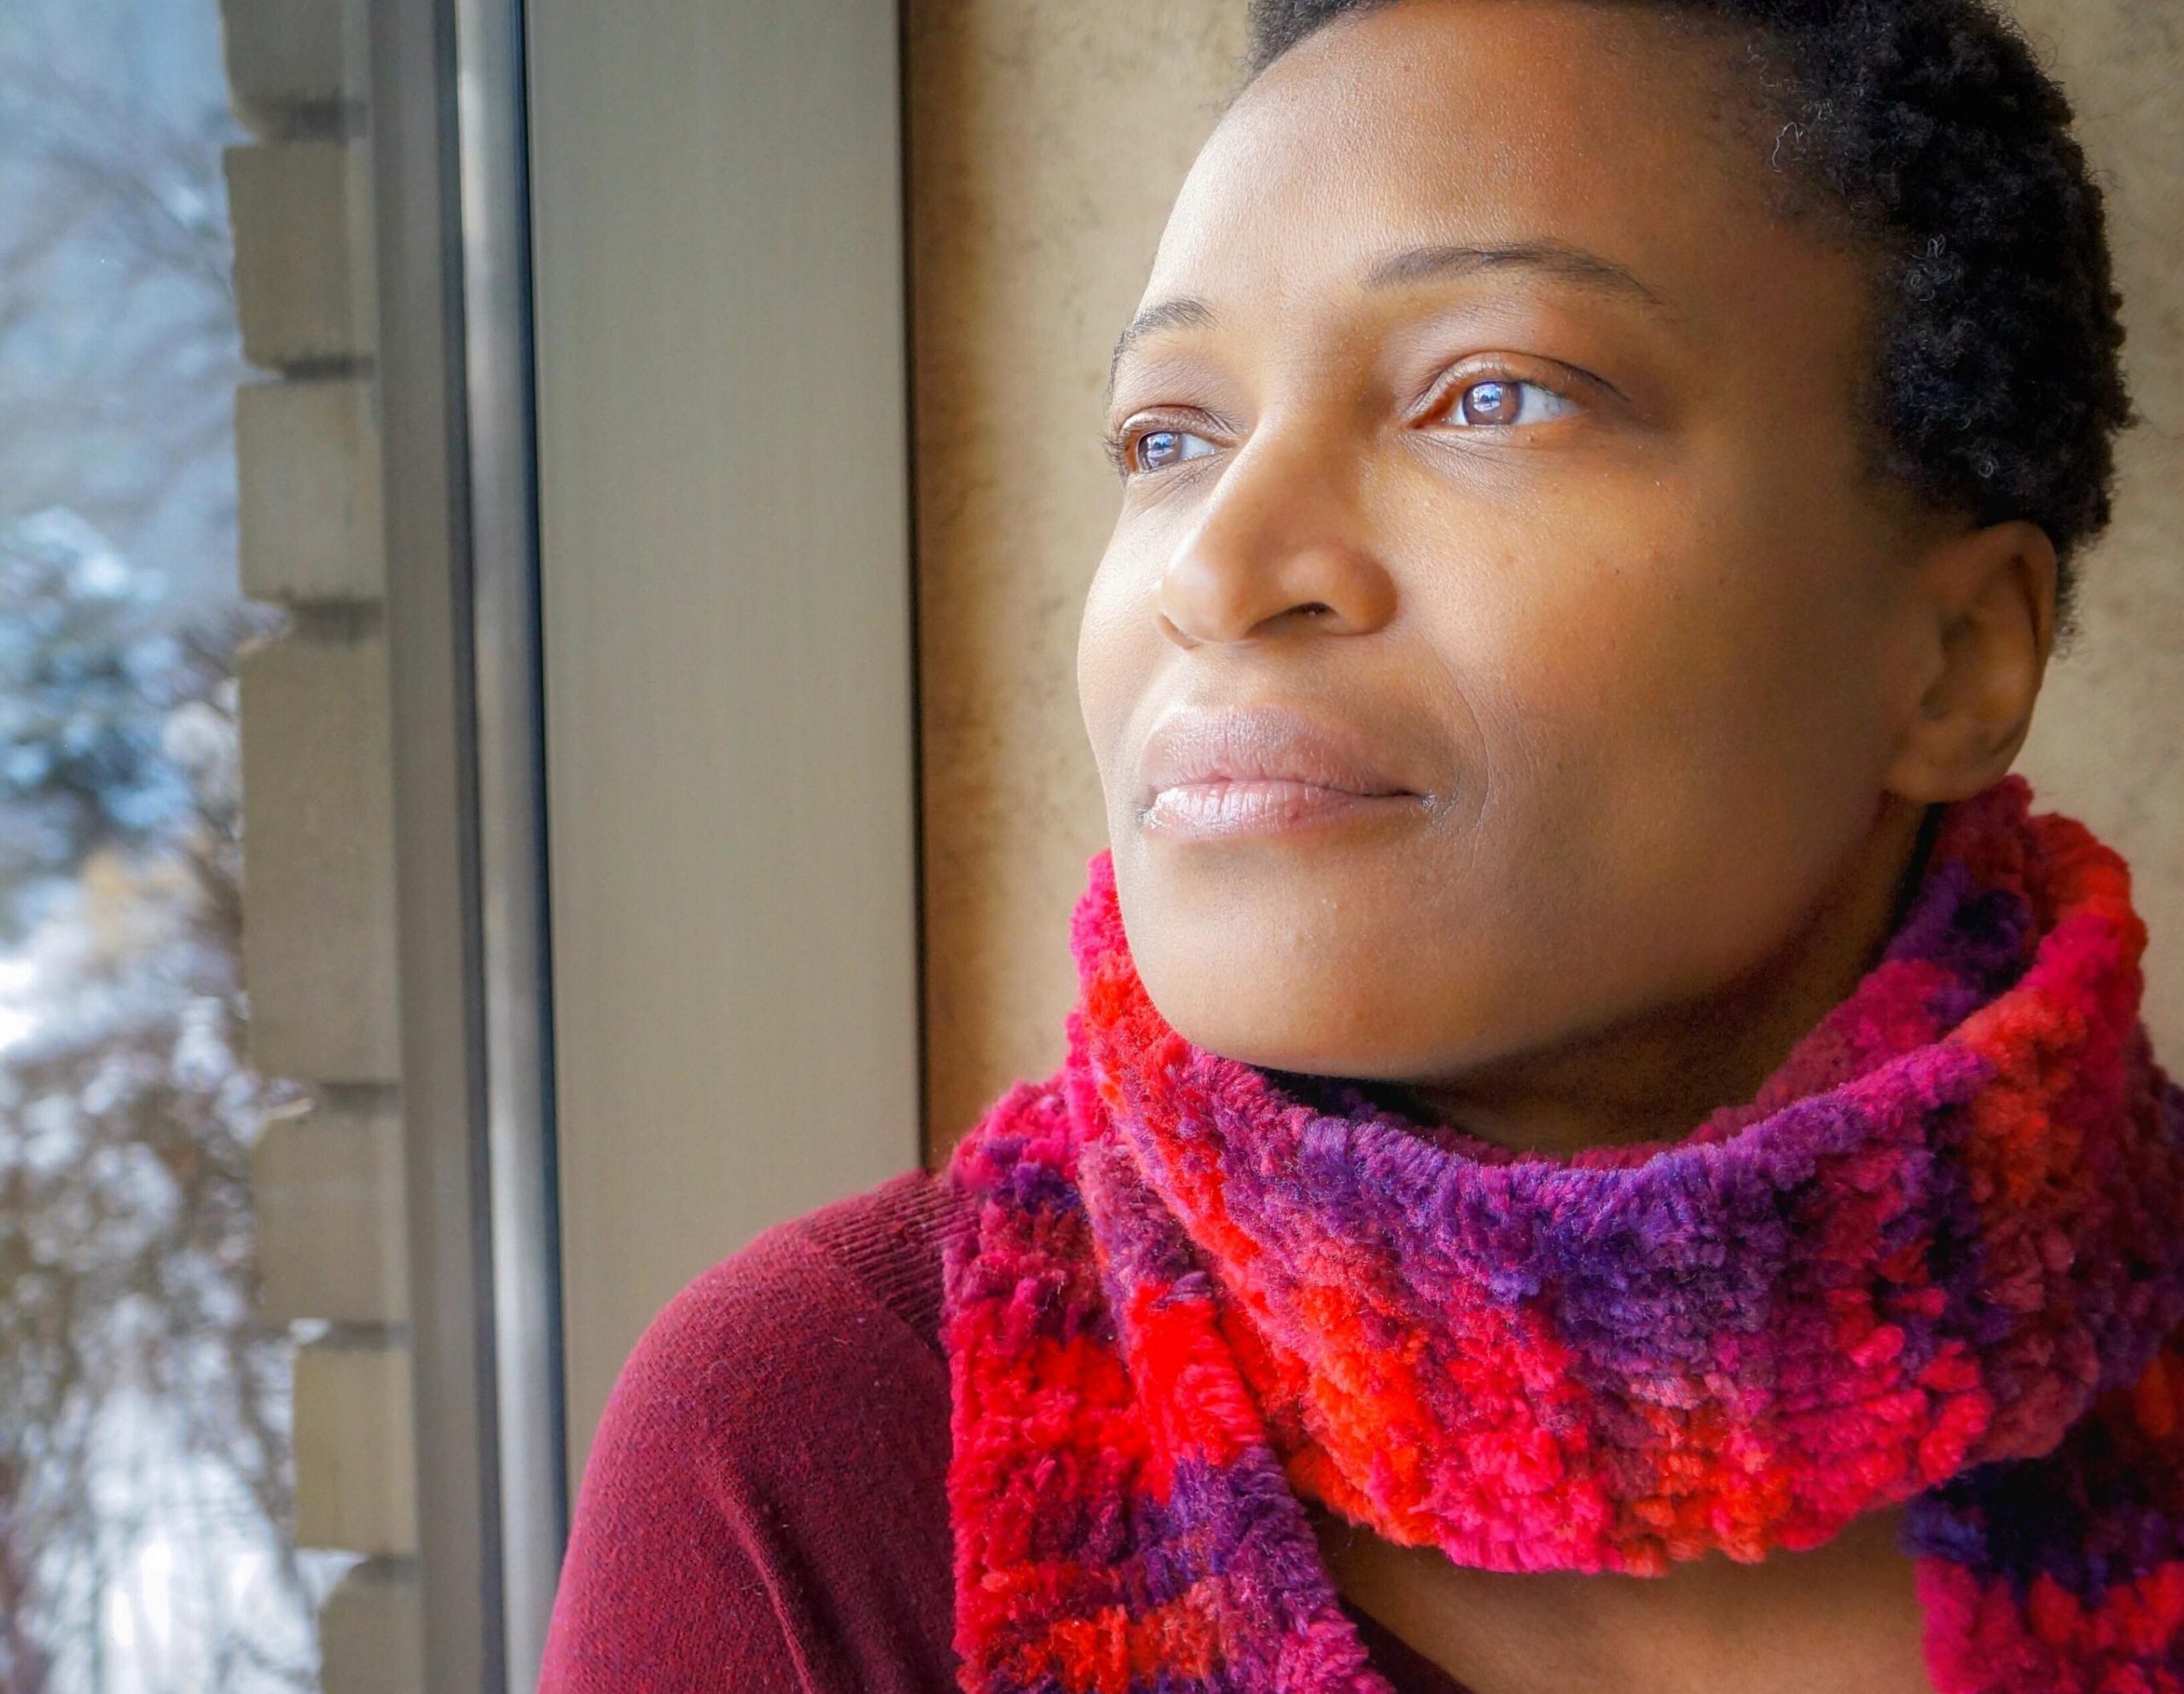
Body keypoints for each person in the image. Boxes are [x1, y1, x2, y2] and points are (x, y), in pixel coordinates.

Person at [537, 2, 2182, 1691]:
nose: (1219, 564)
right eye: (1167, 437)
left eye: (1486, 397)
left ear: (1955, 659)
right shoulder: (824, 1456)